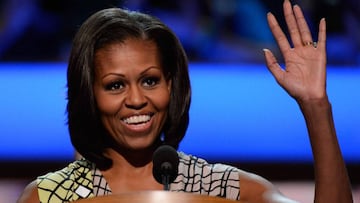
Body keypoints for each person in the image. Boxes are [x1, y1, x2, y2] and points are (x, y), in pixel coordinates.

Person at [17, 0, 353, 202]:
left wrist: (316, 107)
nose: (137, 99)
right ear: (88, 95)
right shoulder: (49, 196)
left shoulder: (221, 187)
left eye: (150, 81)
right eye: (115, 85)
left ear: (172, 86)